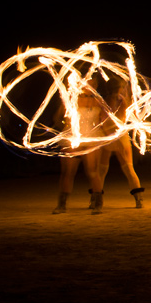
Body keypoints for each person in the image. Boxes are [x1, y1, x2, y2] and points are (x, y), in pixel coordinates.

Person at [52, 76, 105, 214]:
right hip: (72, 138)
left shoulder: (99, 101)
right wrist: (68, 126)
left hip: (92, 138)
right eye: (87, 82)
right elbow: (57, 117)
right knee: (67, 172)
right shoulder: (71, 100)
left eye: (93, 83)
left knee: (93, 172)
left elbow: (107, 120)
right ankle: (61, 204)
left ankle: (98, 202)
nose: (89, 84)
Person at [98, 78, 145, 208]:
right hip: (119, 136)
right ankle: (138, 199)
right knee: (128, 168)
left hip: (111, 136)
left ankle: (97, 200)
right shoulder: (123, 100)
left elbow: (103, 119)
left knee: (102, 170)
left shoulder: (109, 101)